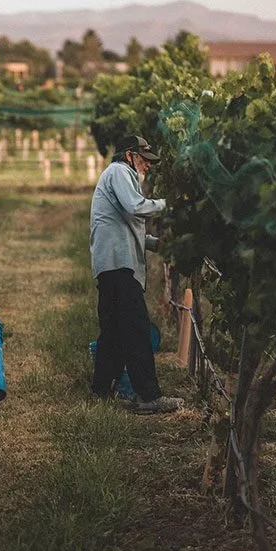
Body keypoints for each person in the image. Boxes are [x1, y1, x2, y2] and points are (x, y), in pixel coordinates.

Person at [89, 135, 183, 414]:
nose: (148, 166)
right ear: (129, 155)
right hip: (119, 265)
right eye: (144, 159)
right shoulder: (119, 171)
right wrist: (170, 204)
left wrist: (156, 244)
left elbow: (128, 227)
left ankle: (100, 390)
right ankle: (149, 396)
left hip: (112, 264)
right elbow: (136, 207)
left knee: (114, 332)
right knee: (137, 329)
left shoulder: (119, 177)